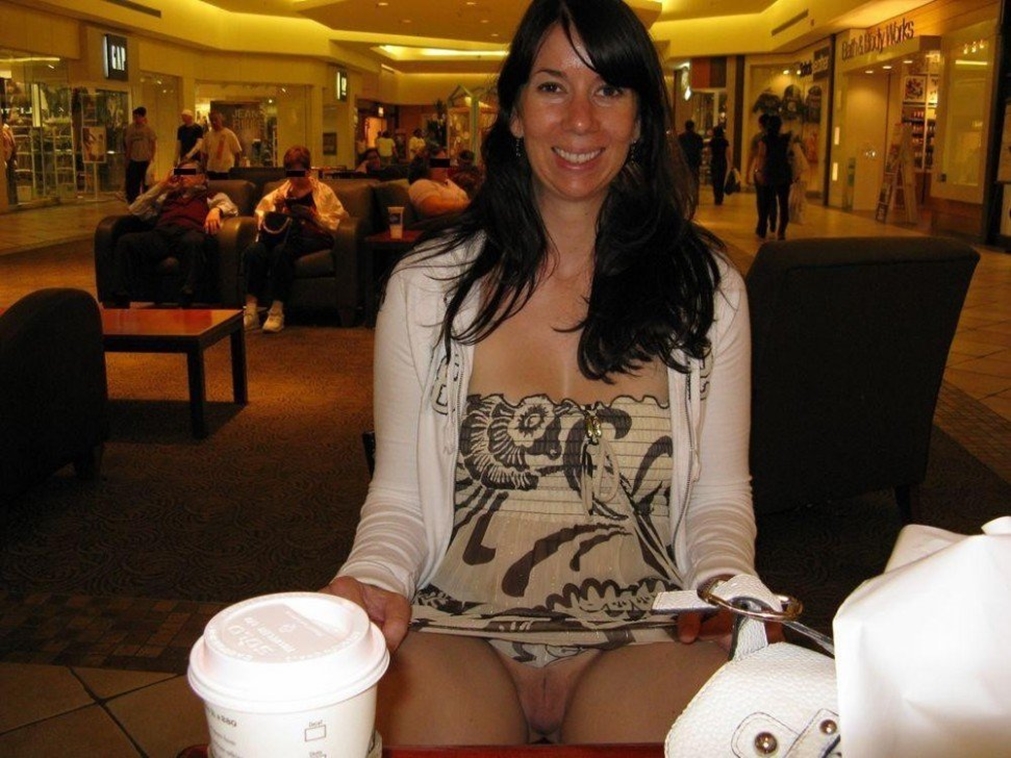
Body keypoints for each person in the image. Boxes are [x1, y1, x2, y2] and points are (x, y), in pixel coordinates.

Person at [324, 0, 758, 747]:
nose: (580, 120)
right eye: (552, 87)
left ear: (641, 120)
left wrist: (723, 583)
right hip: (454, 627)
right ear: (515, 113)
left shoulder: (705, 289)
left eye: (608, 89)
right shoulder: (429, 287)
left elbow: (718, 494)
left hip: (644, 632)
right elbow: (398, 497)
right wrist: (374, 580)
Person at [241, 146, 347, 333]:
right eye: (291, 174)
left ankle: (277, 311)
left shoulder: (323, 191)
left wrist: (315, 216)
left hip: (313, 236)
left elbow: (340, 221)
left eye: (300, 174)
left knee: (281, 251)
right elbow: (261, 216)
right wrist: (278, 210)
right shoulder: (281, 192)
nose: (295, 179)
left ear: (308, 171)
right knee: (254, 251)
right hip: (285, 236)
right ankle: (251, 309)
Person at [108, 160, 238, 307]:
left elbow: (231, 207)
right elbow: (135, 209)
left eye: (189, 172)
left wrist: (216, 210)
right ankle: (120, 297)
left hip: (189, 233)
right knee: (126, 241)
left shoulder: (211, 195)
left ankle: (187, 295)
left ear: (202, 177)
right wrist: (162, 186)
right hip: (162, 234)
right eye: (180, 173)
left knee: (193, 241)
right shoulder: (167, 196)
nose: (183, 176)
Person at [755, 115, 792, 240]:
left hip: (770, 172)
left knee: (766, 203)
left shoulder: (765, 140)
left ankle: (762, 229)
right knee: (783, 203)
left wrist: (758, 170)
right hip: (784, 173)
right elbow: (790, 154)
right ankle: (781, 231)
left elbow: (761, 156)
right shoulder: (785, 139)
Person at [407, 151, 469, 220]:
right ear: (427, 166)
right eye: (440, 163)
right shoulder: (421, 184)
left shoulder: (447, 182)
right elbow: (434, 208)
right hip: (451, 223)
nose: (446, 168)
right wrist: (468, 205)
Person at [745, 113, 776, 234]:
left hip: (761, 171)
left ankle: (762, 223)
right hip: (774, 171)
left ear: (760, 124)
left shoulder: (758, 138)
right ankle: (773, 219)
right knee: (772, 197)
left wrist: (747, 172)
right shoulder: (778, 137)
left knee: (761, 198)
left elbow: (752, 155)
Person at [123, 106, 156, 203]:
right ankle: (132, 202)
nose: (136, 119)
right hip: (134, 160)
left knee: (146, 183)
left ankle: (146, 202)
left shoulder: (148, 129)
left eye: (138, 117)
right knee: (133, 183)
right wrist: (127, 159)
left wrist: (151, 157)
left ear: (143, 117)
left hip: (145, 160)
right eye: (134, 117)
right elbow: (128, 145)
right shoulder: (130, 129)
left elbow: (153, 144)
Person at [202, 111, 242, 179]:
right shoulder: (208, 135)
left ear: (221, 119)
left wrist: (236, 169)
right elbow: (204, 153)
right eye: (211, 120)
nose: (214, 122)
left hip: (226, 170)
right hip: (211, 170)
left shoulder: (229, 134)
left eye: (216, 119)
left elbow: (237, 153)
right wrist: (205, 167)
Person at [676, 119, 704, 201]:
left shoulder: (681, 137)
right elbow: (701, 148)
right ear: (693, 127)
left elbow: (678, 149)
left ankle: (685, 197)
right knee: (695, 179)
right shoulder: (698, 137)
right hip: (695, 161)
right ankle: (695, 197)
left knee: (684, 180)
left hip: (684, 161)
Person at [708, 125, 730, 206]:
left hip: (714, 161)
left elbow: (709, 152)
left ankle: (716, 197)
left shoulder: (712, 141)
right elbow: (728, 152)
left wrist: (709, 161)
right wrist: (730, 163)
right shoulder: (725, 141)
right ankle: (720, 197)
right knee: (721, 180)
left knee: (715, 180)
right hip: (722, 161)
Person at [1, 112, 16, 206]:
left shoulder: (7, 130)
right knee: (7, 179)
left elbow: (12, 144)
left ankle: (12, 199)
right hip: (5, 158)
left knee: (11, 179)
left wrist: (14, 157)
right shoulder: (5, 131)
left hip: (9, 158)